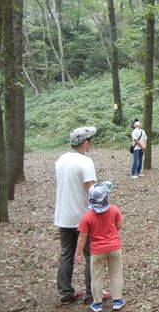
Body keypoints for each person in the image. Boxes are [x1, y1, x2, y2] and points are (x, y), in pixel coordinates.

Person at [54, 126, 109, 305]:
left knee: (66, 254)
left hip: (63, 215)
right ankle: (92, 293)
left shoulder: (61, 159)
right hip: (83, 217)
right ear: (86, 143)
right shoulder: (86, 162)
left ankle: (65, 293)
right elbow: (92, 192)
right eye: (91, 141)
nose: (91, 144)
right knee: (91, 255)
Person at [76, 182, 126, 312]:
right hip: (114, 248)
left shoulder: (87, 217)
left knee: (97, 277)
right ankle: (117, 300)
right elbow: (120, 226)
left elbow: (82, 236)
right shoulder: (115, 209)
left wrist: (79, 253)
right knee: (116, 274)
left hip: (97, 251)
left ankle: (97, 303)